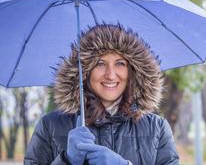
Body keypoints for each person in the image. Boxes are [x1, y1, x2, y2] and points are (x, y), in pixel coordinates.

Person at [24, 24, 179, 165]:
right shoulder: (50, 126)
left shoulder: (157, 128)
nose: (111, 75)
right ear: (85, 72)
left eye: (120, 63)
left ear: (132, 71)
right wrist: (67, 161)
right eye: (100, 64)